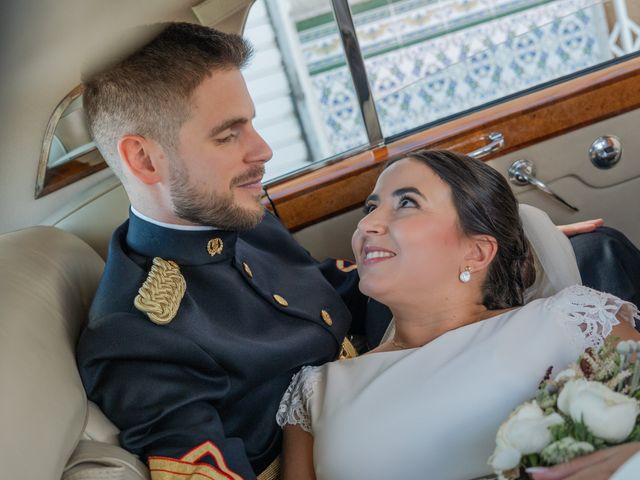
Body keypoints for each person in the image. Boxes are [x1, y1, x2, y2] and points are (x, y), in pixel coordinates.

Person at [76, 22, 640, 480]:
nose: (263, 150)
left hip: (401, 357)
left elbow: (323, 285)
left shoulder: (238, 220)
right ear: (145, 160)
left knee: (596, 252)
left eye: (252, 124)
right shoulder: (138, 334)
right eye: (228, 135)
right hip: (354, 433)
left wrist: (483, 246)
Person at [275, 150, 640, 480]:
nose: (367, 225)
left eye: (406, 203)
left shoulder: (571, 321)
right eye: (370, 208)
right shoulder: (316, 392)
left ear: (478, 252)